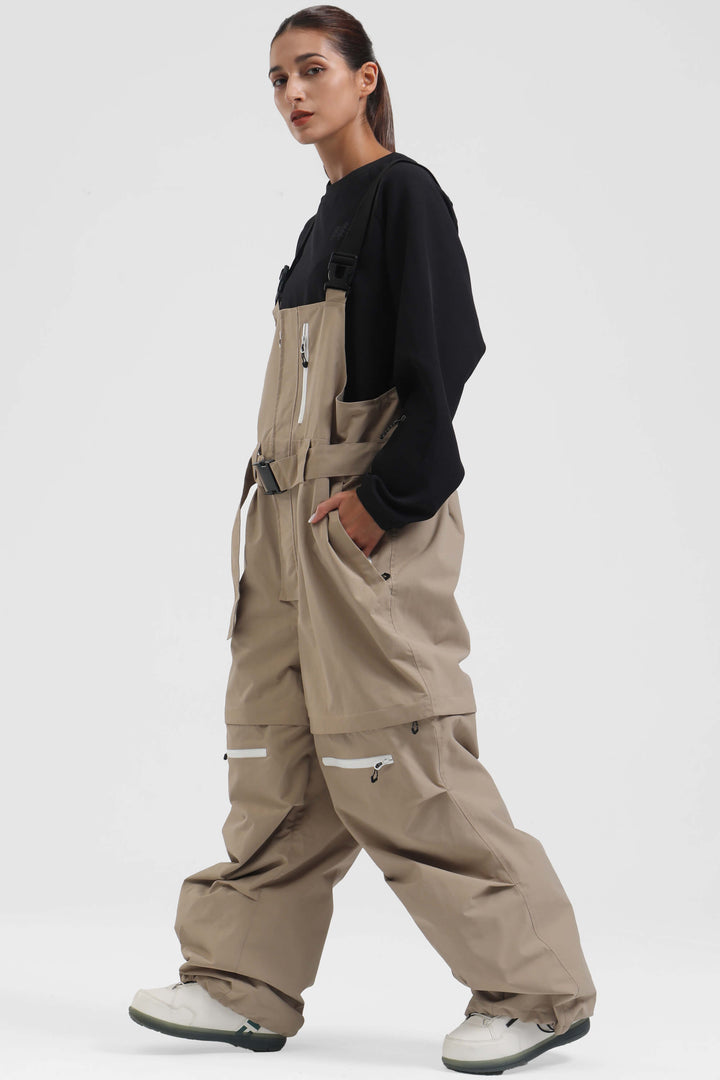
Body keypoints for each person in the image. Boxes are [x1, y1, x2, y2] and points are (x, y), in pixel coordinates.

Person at [129, 6, 597, 1074]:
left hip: (364, 532)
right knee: (277, 757)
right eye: (276, 79)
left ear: (365, 79)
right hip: (285, 531)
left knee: (401, 756)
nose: (293, 94)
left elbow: (446, 359)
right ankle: (243, 985)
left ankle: (536, 991)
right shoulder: (322, 221)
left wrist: (380, 501)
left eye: (311, 70)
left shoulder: (404, 195)